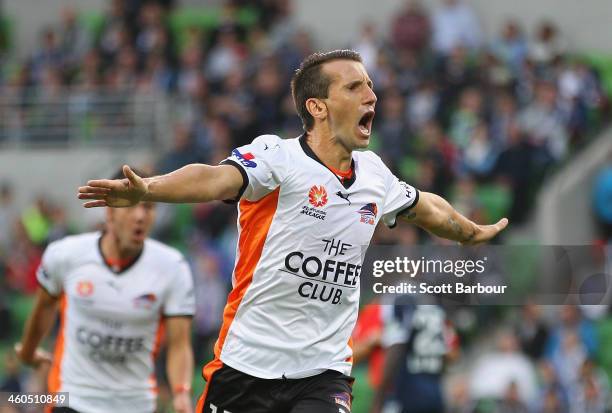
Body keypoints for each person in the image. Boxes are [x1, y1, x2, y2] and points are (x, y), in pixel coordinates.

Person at [77, 50, 508, 413]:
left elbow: (425, 207)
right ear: (317, 107)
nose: (371, 95)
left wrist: (468, 232)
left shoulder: (375, 174)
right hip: (246, 366)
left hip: (322, 373)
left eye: (370, 86)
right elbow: (214, 179)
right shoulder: (277, 158)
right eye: (354, 87)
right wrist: (149, 189)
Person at [16, 169, 195, 413]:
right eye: (131, 207)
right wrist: (27, 354)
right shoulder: (66, 255)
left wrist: (181, 392)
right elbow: (44, 308)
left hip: (135, 405)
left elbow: (179, 344)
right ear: (109, 212)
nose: (141, 216)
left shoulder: (172, 267)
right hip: (74, 400)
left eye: (149, 208)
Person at [371, 301, 459, 413]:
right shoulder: (437, 309)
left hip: (410, 394)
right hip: (435, 394)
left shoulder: (405, 303)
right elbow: (453, 354)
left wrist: (379, 399)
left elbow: (396, 348)